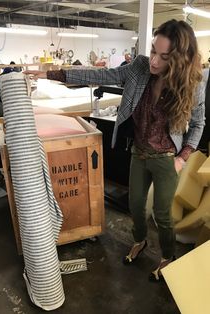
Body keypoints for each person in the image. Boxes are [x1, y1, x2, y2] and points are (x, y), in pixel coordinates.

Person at [24, 19, 205, 282]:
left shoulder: (193, 83)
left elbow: (199, 123)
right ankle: (140, 241)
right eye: (153, 51)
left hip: (167, 158)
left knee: (163, 214)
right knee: (135, 206)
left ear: (179, 59)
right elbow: (102, 75)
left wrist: (182, 157)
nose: (154, 61)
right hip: (139, 153)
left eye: (163, 57)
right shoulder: (140, 67)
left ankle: (167, 257)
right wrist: (51, 73)